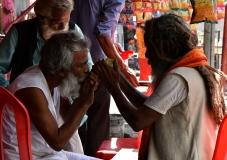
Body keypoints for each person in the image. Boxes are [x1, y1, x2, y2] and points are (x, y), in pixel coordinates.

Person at [92, 14, 227, 160]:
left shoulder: (177, 78)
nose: (148, 55)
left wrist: (113, 88)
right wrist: (119, 79)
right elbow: (150, 107)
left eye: (149, 48)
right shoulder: (190, 70)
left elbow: (138, 121)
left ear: (165, 48)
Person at [0, 0, 92, 153]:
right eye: (57, 22)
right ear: (42, 18)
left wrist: (84, 97)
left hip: (61, 107)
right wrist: (15, 99)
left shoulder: (72, 31)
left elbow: (85, 66)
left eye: (66, 21)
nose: (64, 28)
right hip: (29, 111)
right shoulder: (21, 33)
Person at [3, 31, 100, 160]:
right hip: (28, 157)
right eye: (81, 65)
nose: (86, 70)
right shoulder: (32, 88)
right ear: (61, 70)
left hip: (48, 154)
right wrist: (84, 104)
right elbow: (57, 142)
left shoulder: (53, 79)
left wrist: (84, 96)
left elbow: (67, 116)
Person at [70, 0, 139, 156]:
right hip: (95, 65)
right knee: (97, 121)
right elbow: (102, 34)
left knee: (71, 115)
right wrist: (124, 68)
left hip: (68, 63)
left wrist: (112, 47)